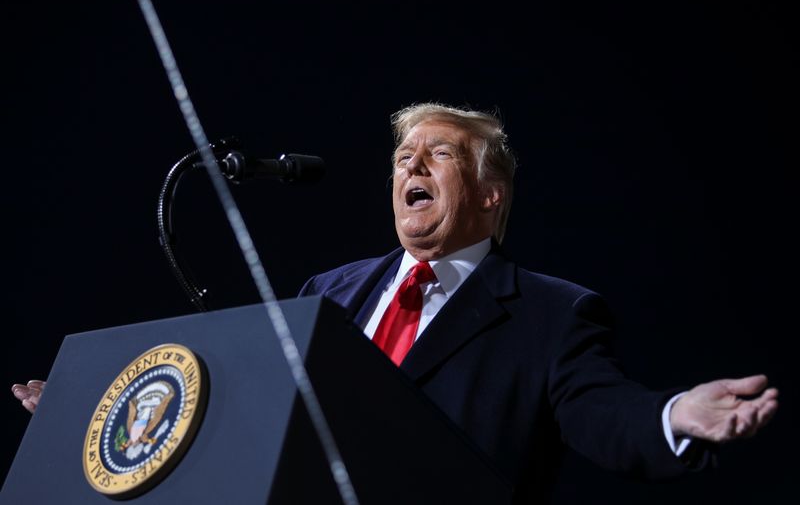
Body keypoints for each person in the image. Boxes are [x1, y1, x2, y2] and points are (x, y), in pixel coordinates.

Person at [13, 103, 779, 502]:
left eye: (438, 153)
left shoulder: (553, 312)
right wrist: (97, 414)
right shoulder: (328, 292)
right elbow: (246, 411)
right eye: (402, 157)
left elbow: (601, 412)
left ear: (489, 193)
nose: (411, 163)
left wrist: (675, 415)